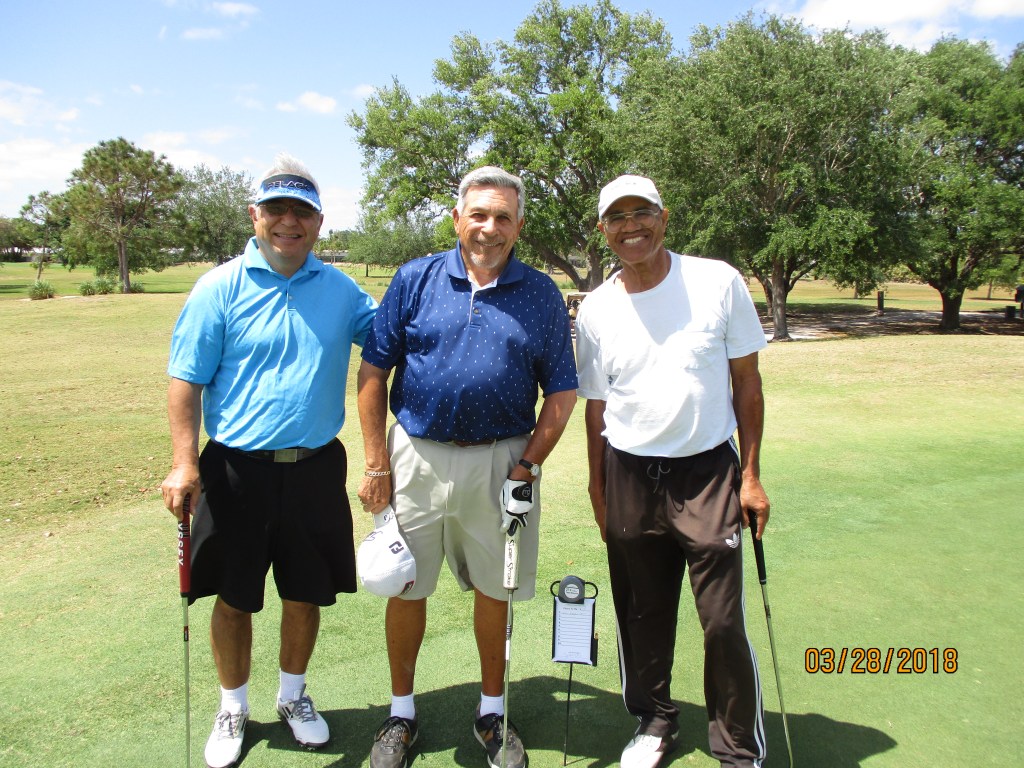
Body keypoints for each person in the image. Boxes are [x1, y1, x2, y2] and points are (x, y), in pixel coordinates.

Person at [159, 154, 378, 768]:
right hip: (236, 471)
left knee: (305, 593)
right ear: (255, 216)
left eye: (301, 212)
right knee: (234, 596)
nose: (289, 222)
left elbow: (392, 339)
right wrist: (184, 462)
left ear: (319, 222)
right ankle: (233, 706)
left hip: (315, 468)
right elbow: (185, 380)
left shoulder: (341, 290)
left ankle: (292, 696)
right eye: (276, 209)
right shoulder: (218, 287)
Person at [357, 166, 578, 768]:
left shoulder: (540, 293)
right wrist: (376, 462)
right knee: (405, 584)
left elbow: (561, 393)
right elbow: (374, 371)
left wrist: (527, 467)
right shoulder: (415, 278)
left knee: (494, 589)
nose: (489, 227)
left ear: (519, 227)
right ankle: (401, 714)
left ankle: (491, 711)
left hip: (503, 462)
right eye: (478, 214)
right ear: (457, 219)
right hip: (415, 457)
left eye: (503, 217)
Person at [574, 175, 771, 768]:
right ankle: (655, 721)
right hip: (629, 474)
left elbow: (747, 382)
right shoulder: (596, 308)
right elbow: (596, 406)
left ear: (664, 217)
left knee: (722, 622)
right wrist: (598, 488)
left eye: (642, 212)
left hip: (708, 473)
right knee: (641, 612)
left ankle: (737, 747)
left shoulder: (717, 281)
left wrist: (751, 476)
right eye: (617, 217)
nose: (630, 225)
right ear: (603, 230)